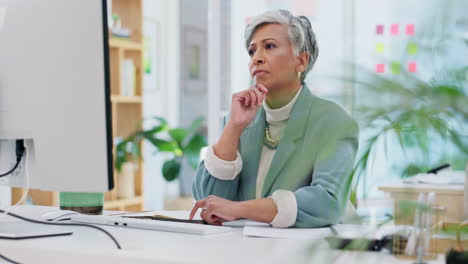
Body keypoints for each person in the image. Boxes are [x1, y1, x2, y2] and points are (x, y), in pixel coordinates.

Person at [190, 10, 359, 228]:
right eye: (252, 51)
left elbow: (327, 202)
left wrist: (239, 209)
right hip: (243, 250)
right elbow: (210, 201)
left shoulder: (333, 122)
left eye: (269, 46)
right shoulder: (240, 120)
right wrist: (234, 127)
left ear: (301, 61)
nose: (256, 58)